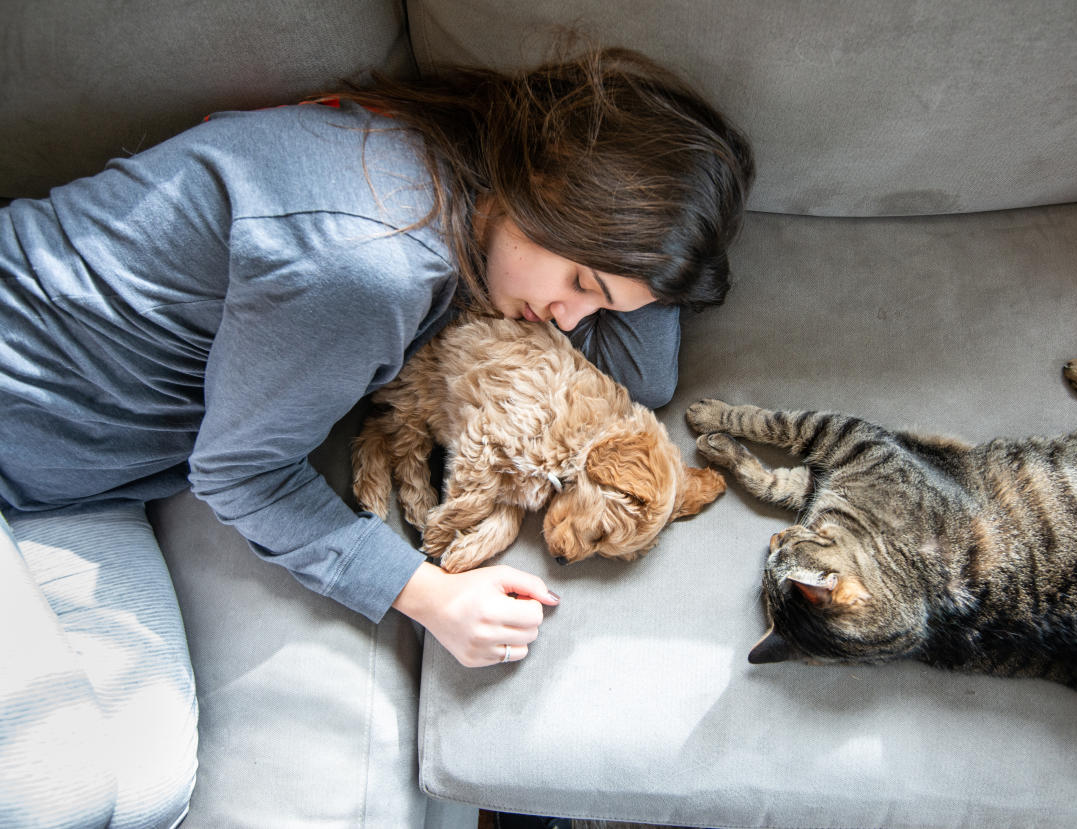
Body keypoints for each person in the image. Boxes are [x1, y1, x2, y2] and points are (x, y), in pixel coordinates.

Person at [0, 46, 753, 827]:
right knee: (63, 793)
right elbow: (240, 475)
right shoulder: (371, 261)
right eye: (582, 284)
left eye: (601, 308)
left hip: (83, 482)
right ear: (555, 181)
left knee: (149, 787)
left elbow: (645, 379)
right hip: (26, 423)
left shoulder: (472, 167)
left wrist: (661, 255)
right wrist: (429, 596)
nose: (569, 321)